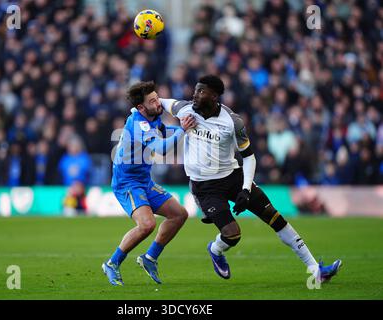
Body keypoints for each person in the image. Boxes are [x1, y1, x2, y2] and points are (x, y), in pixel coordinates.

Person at [160, 75, 341, 283]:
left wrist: (245, 189)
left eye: (201, 91)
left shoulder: (233, 122)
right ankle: (216, 249)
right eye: (196, 90)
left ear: (215, 96)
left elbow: (249, 156)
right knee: (232, 235)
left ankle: (315, 270)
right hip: (204, 187)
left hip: (232, 177)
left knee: (275, 217)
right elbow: (160, 102)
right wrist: (139, 107)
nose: (195, 94)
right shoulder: (185, 110)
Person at [102, 81, 196, 286]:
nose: (158, 102)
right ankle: (112, 263)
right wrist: (183, 129)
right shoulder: (139, 124)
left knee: (179, 214)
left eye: (157, 97)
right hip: (127, 183)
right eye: (152, 100)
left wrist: (188, 127)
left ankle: (150, 257)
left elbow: (164, 130)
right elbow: (161, 148)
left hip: (144, 180)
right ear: (141, 107)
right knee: (147, 225)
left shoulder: (152, 116)